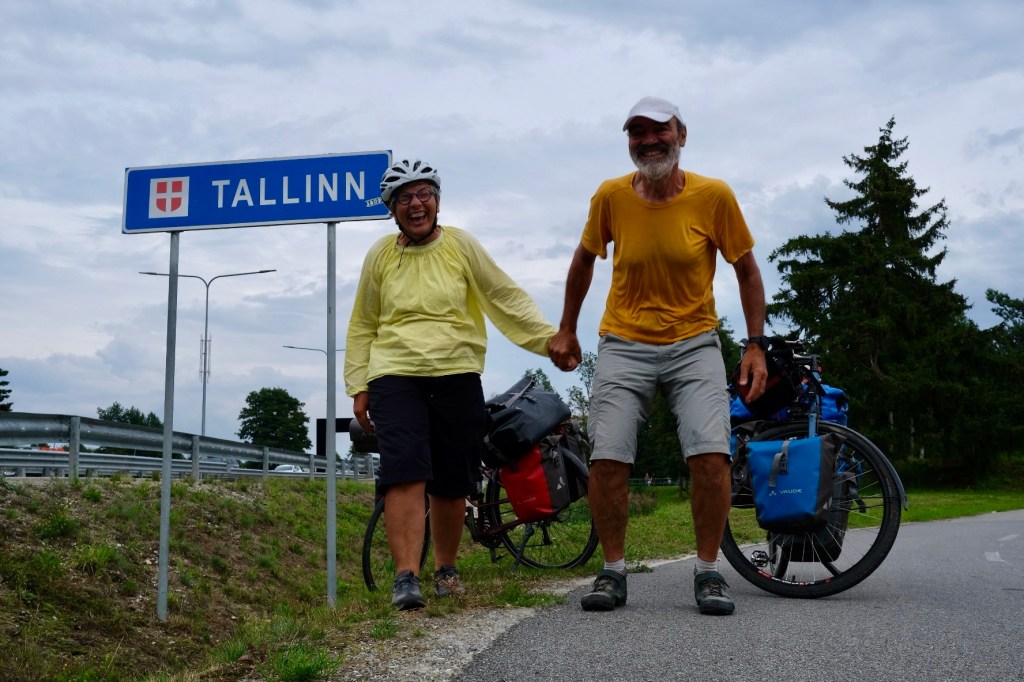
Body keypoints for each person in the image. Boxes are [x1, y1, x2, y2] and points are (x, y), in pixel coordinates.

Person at [548, 96, 769, 616]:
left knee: (710, 456)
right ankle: (613, 571)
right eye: (637, 132)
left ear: (681, 135)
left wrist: (754, 345)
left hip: (694, 343)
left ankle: (708, 571)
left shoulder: (714, 196)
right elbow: (583, 259)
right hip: (624, 342)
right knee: (607, 458)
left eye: (659, 130)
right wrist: (567, 328)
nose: (648, 141)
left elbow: (747, 270)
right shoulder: (610, 196)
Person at [345, 158, 556, 610]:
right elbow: (363, 322)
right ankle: (406, 577)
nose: (415, 204)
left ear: (437, 201)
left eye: (424, 194)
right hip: (395, 373)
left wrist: (549, 340)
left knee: (451, 477)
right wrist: (358, 384)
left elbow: (503, 296)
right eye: (404, 197)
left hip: (457, 371)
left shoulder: (462, 245)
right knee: (404, 470)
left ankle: (446, 570)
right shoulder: (380, 255)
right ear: (392, 209)